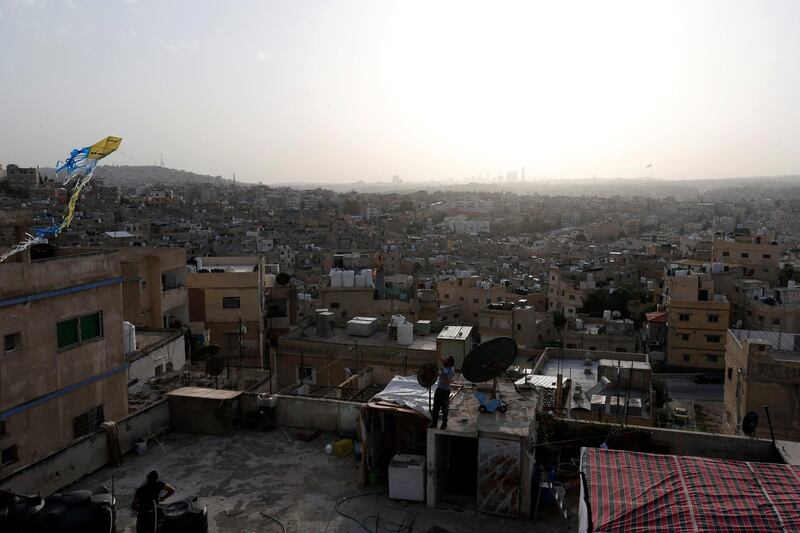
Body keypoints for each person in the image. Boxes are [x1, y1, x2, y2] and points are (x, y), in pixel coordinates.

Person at [429, 355, 455, 430]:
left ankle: (444, 424)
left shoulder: (451, 371)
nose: (444, 360)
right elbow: (440, 358)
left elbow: (448, 382)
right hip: (439, 389)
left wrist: (440, 375)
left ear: (449, 363)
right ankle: (434, 423)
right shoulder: (446, 366)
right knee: (436, 407)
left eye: (446, 359)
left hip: (445, 391)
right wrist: (439, 346)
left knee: (444, 408)